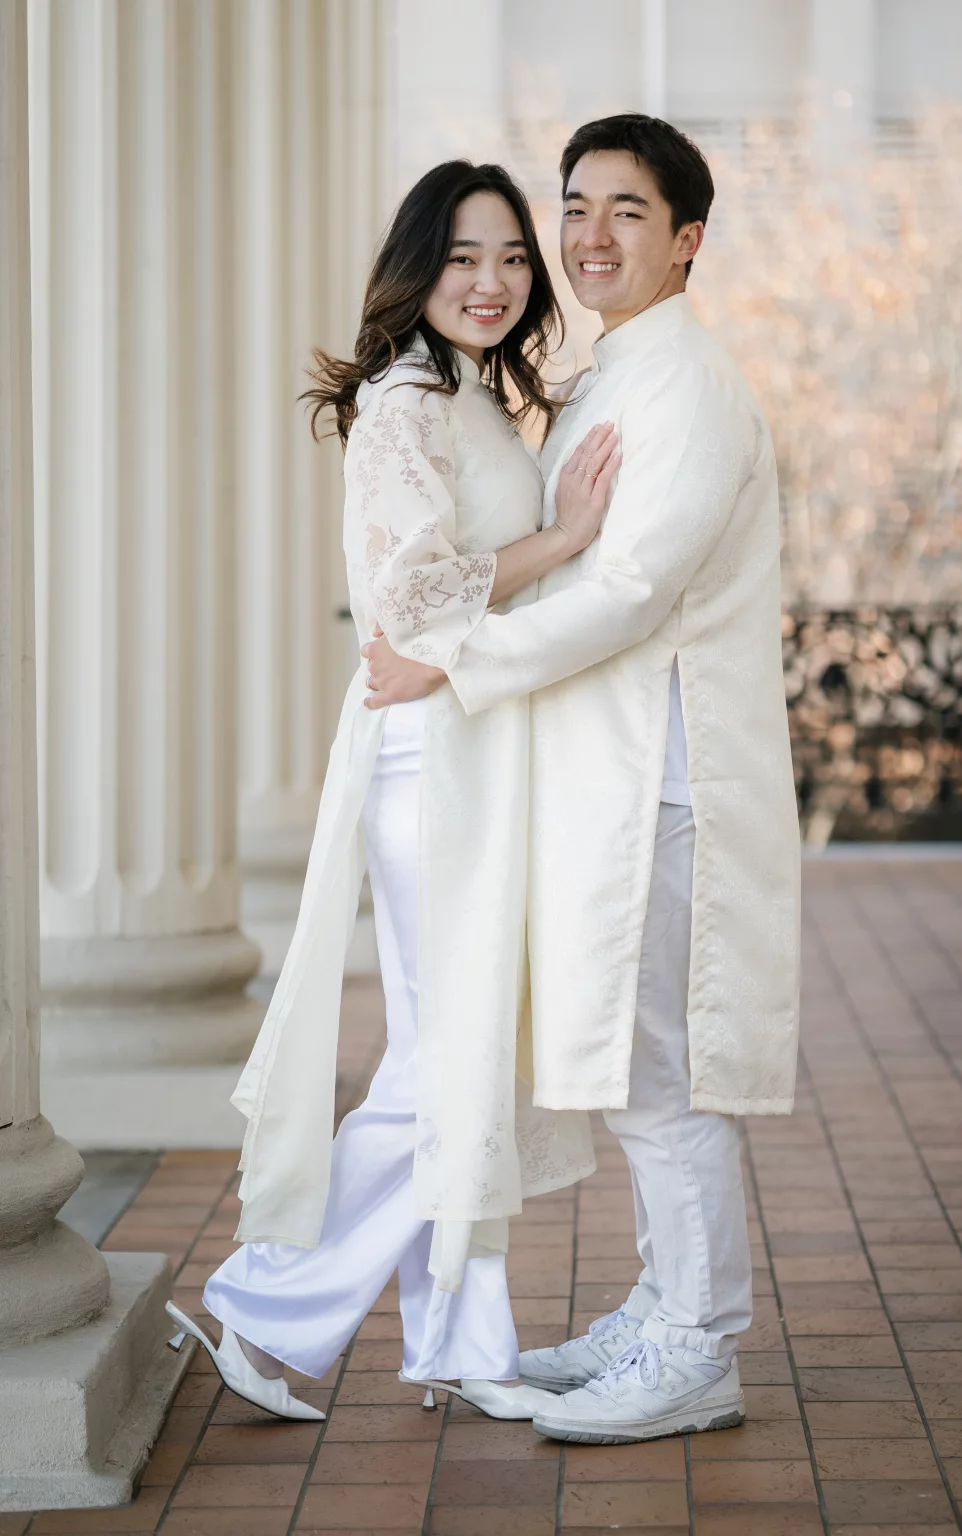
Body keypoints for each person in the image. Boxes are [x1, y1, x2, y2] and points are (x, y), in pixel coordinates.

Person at [363, 114, 802, 1444]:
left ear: (688, 241)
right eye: (579, 207)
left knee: (668, 1083)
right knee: (638, 1076)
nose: (592, 236)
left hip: (670, 785)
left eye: (628, 211)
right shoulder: (614, 373)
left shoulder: (690, 387)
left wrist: (456, 657)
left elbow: (625, 593)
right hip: (614, 787)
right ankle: (663, 1305)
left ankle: (698, 1345)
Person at [165, 161, 620, 1423]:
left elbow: (449, 602)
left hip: (471, 745)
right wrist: (566, 540)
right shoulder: (403, 404)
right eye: (464, 258)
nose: (491, 283)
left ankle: (464, 1342)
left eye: (512, 259)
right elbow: (411, 602)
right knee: (443, 1064)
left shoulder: (469, 394)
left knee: (453, 1054)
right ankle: (264, 1306)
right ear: (418, 268)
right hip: (435, 764)